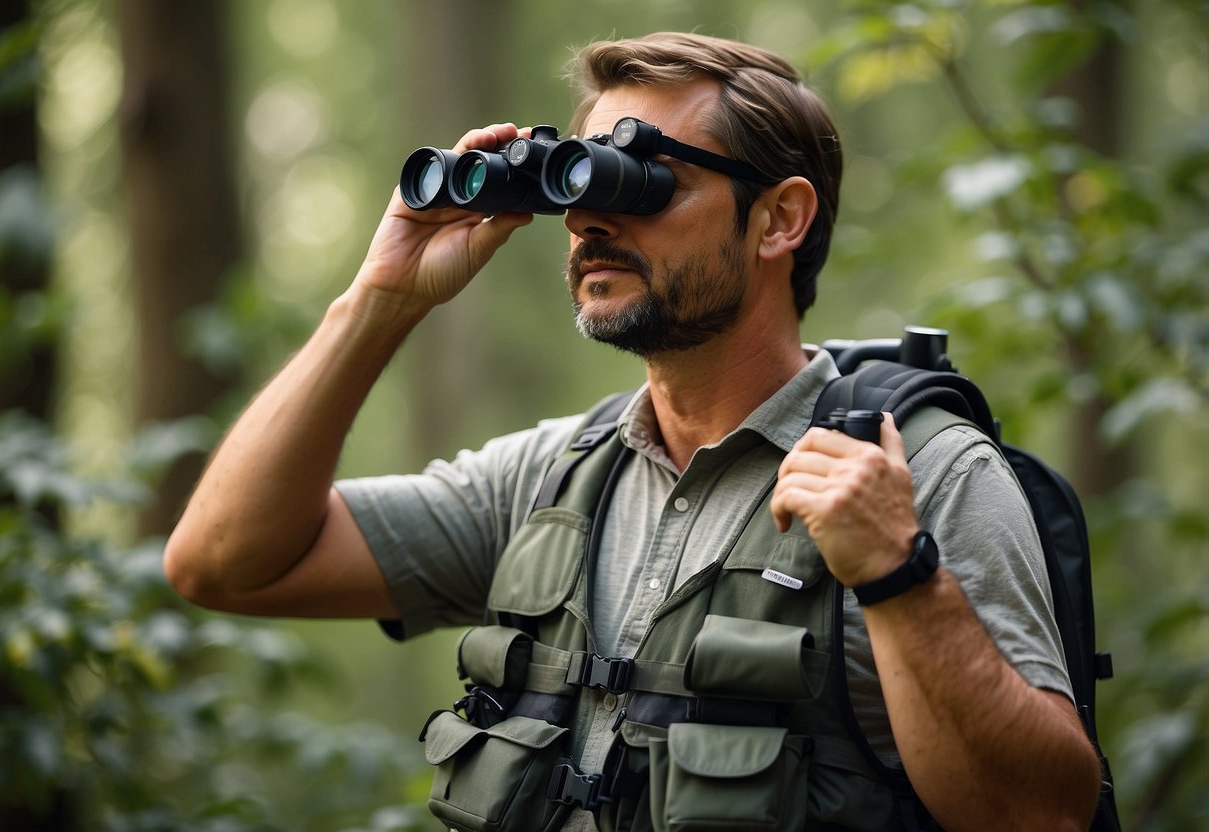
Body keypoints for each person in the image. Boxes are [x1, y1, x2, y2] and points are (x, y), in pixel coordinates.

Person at [164, 31, 1103, 832]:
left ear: (778, 219)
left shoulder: (917, 475)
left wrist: (902, 577)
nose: (586, 216)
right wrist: (380, 298)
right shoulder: (552, 476)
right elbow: (223, 562)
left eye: (640, 176)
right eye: (574, 177)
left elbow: (1042, 815)